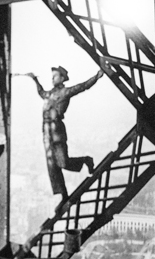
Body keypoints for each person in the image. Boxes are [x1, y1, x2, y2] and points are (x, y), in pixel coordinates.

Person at [25, 65, 103, 206]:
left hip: (57, 132)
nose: (52, 79)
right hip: (47, 133)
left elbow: (82, 86)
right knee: (52, 166)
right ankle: (63, 194)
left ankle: (86, 160)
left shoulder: (65, 92)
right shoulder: (50, 94)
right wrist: (35, 79)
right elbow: (41, 92)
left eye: (55, 76)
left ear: (62, 78)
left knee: (63, 162)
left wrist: (96, 77)